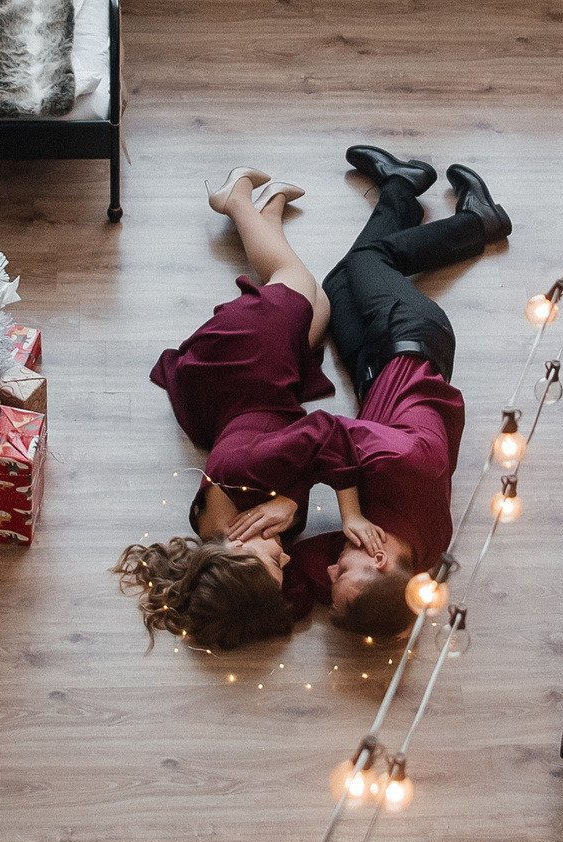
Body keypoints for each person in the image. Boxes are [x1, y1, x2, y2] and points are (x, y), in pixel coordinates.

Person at [116, 151, 509, 647]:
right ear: (382, 559)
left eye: (272, 563)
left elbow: (326, 447)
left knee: (326, 283)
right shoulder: (385, 493)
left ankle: (410, 197)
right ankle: (446, 211)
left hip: (265, 373)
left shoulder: (364, 540)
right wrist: (318, 523)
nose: (304, 560)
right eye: (337, 571)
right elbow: (325, 448)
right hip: (404, 349)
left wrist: (258, 604)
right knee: (345, 279)